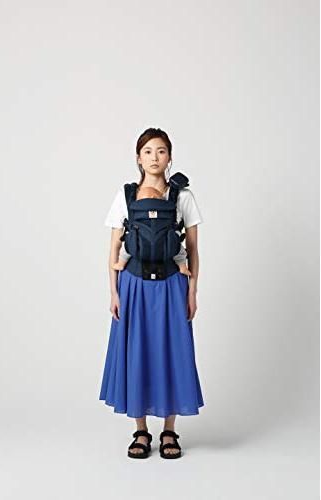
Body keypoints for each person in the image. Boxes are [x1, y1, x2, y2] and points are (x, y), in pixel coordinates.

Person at [99, 127, 204, 459]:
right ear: (138, 158)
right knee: (138, 351)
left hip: (172, 284)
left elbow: (193, 250)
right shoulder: (126, 196)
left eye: (161, 151)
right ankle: (141, 431)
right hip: (133, 284)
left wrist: (192, 292)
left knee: (172, 351)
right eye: (148, 151)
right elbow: (114, 249)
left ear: (169, 157)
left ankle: (169, 430)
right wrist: (114, 292)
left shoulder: (183, 197)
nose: (154, 157)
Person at [111, 185, 192, 277]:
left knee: (127, 247)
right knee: (178, 248)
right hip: (166, 247)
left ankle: (121, 263)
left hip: (138, 251)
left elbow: (116, 244)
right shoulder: (169, 207)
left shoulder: (184, 195)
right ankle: (182, 266)